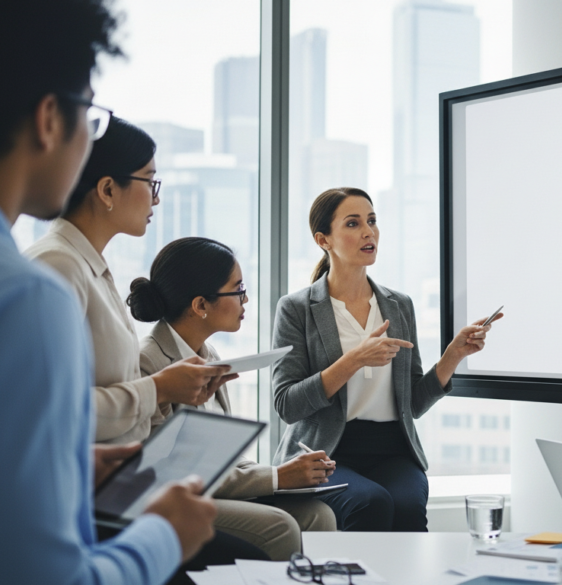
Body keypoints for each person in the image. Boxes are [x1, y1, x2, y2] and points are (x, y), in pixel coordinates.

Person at [0, 1, 218, 583]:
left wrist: (59, 468)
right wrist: (163, 537)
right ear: (48, 120)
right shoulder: (14, 298)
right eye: (89, 116)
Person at [270, 187, 503, 532]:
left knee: (407, 506)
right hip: (327, 453)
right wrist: (355, 360)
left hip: (394, 449)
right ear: (324, 240)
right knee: (370, 503)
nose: (368, 232)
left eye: (372, 221)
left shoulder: (398, 304)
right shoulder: (296, 309)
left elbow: (415, 402)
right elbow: (287, 404)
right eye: (352, 223)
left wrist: (452, 356)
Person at [25, 117, 236, 445]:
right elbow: (51, 410)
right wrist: (160, 387)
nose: (156, 199)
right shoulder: (57, 266)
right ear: (108, 189)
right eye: (150, 181)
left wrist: (167, 393)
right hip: (95, 486)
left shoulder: (86, 264)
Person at [129, 237, 338, 560]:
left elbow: (218, 453)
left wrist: (285, 475)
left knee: (319, 514)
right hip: (170, 498)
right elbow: (175, 468)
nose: (246, 298)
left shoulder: (207, 354)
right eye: (238, 289)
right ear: (200, 305)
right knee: (280, 525)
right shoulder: (149, 362)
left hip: (210, 487)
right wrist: (277, 477)